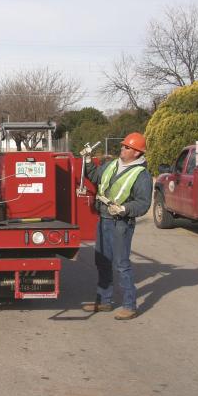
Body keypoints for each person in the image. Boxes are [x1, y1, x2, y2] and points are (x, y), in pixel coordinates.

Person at [82, 133, 152, 320]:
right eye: (122, 146)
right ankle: (104, 301)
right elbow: (95, 176)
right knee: (102, 261)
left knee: (122, 264)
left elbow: (143, 204)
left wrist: (123, 208)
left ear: (137, 153)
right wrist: (88, 160)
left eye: (127, 147)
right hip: (104, 218)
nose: (122, 149)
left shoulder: (141, 175)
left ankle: (130, 305)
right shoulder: (112, 165)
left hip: (121, 223)